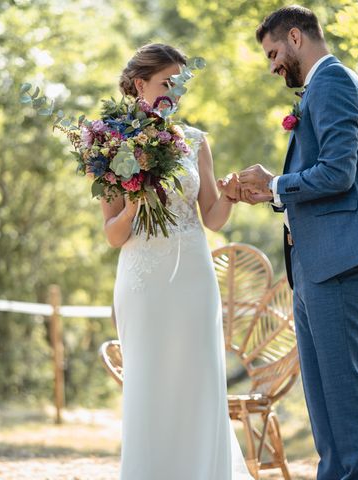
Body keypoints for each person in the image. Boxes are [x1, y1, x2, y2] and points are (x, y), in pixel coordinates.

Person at [238, 6, 358, 480]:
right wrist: (271, 192)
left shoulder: (332, 82)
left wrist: (275, 184)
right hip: (316, 263)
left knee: (346, 402)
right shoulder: (322, 87)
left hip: (340, 263)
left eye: (273, 53)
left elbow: (337, 172)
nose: (272, 65)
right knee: (326, 410)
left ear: (295, 36)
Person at [103, 43, 252, 480]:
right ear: (139, 85)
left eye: (180, 84)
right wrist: (132, 204)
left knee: (199, 383)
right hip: (143, 280)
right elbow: (113, 234)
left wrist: (229, 194)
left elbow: (213, 218)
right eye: (168, 82)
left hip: (193, 278)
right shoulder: (113, 142)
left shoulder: (196, 141)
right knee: (149, 386)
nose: (176, 93)